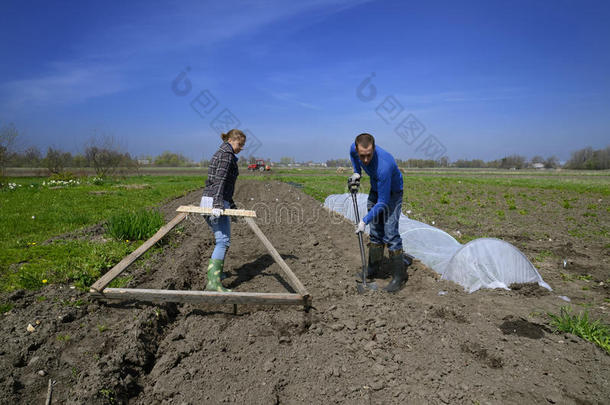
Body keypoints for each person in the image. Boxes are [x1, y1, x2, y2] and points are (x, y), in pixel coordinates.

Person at [349, 133, 407, 292]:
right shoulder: (354, 150)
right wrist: (357, 172)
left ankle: (399, 277)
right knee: (375, 232)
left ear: (374, 149)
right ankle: (373, 269)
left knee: (390, 233)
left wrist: (364, 221)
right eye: (362, 156)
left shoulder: (384, 165)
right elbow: (354, 158)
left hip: (393, 193)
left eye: (369, 155)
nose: (365, 160)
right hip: (376, 189)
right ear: (357, 149)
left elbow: (383, 202)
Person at [200, 129, 246, 292]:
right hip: (215, 202)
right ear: (232, 140)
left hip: (212, 199)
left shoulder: (223, 152)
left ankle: (216, 275)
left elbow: (224, 185)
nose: (241, 148)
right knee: (223, 242)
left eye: (243, 145)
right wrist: (218, 205)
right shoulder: (226, 155)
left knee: (222, 241)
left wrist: (231, 206)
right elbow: (219, 181)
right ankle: (213, 283)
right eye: (240, 144)